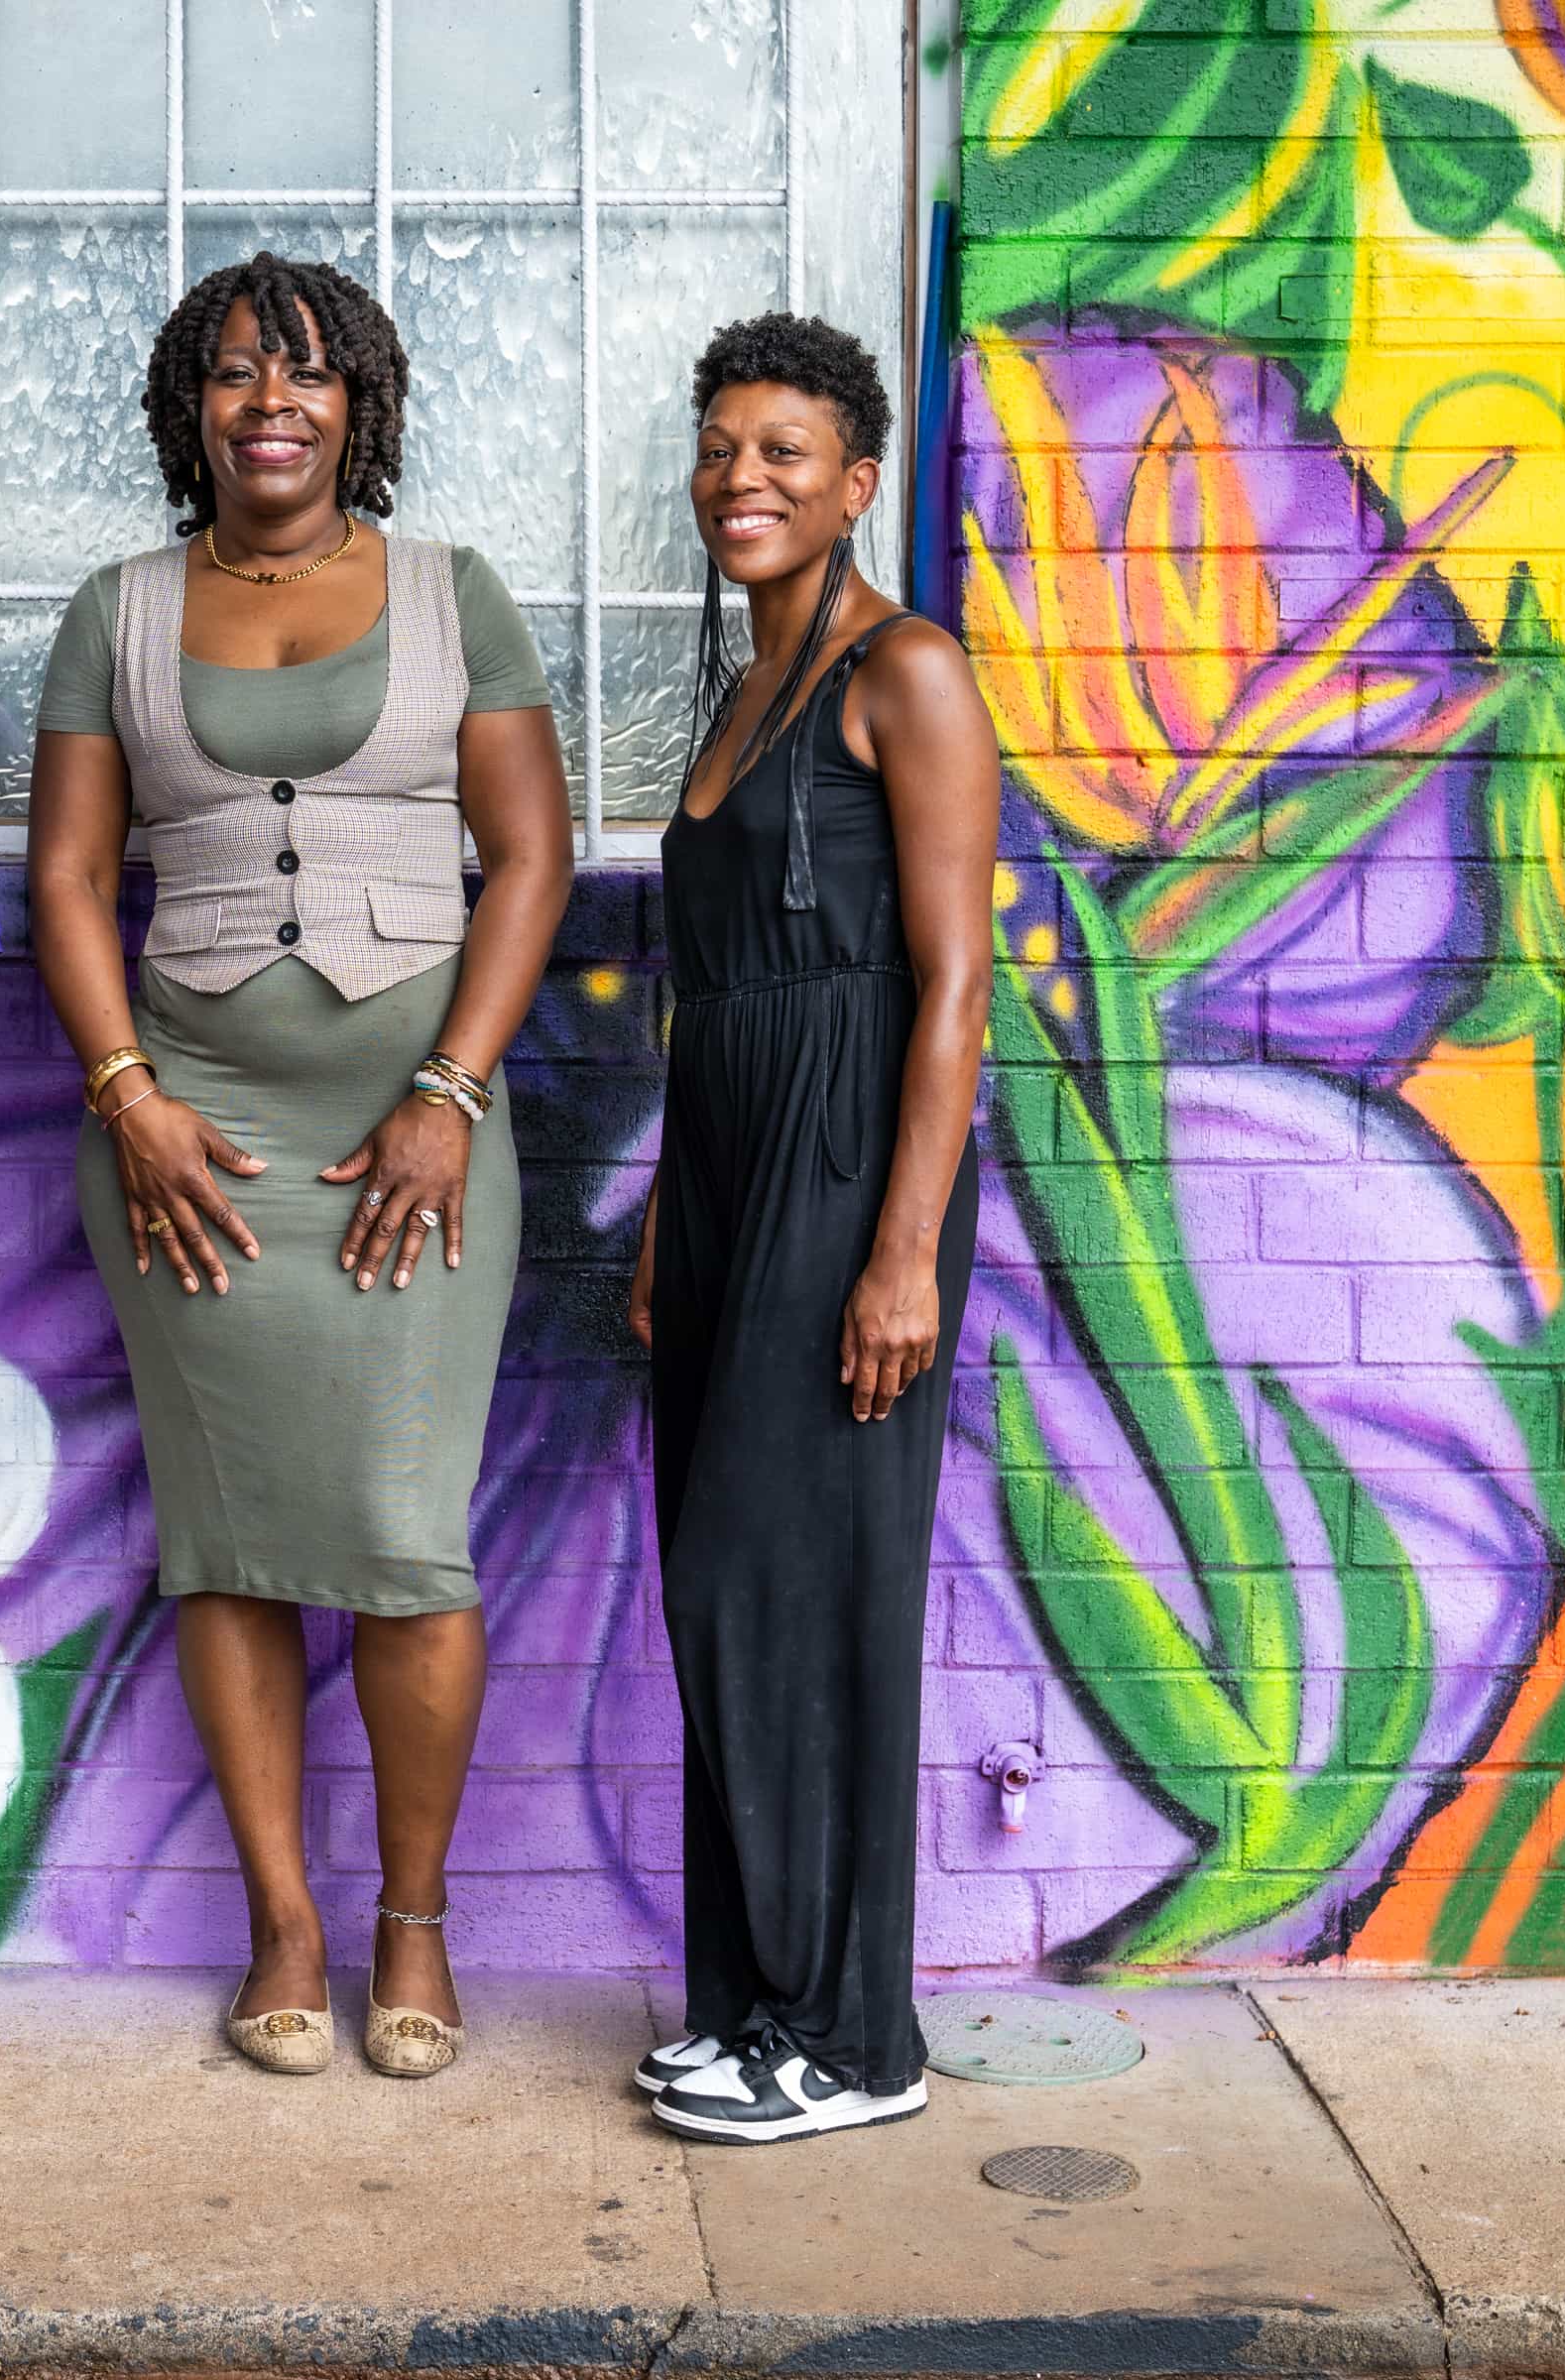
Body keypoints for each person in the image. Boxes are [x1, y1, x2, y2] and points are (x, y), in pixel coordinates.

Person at [27, 253, 572, 2080]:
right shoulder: (115, 611)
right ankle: (283, 1923)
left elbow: (530, 859)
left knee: (409, 1544)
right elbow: (65, 877)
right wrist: (127, 1097)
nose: (274, 400)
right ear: (191, 404)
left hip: (420, 1139)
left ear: (362, 407)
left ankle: (415, 1922)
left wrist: (452, 1092)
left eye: (311, 373)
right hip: (190, 1137)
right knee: (233, 1540)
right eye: (238, 371)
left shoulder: (453, 594)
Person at [630, 313, 999, 2143]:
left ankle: (855, 2041)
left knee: (792, 1581)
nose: (741, 478)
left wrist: (905, 1247)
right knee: (722, 1583)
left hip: (848, 1161)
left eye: (783, 451)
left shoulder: (903, 670)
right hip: (723, 1166)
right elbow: (710, 990)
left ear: (857, 484)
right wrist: (664, 1210)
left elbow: (954, 984)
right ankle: (755, 2002)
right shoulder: (742, 685)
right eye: (719, 448)